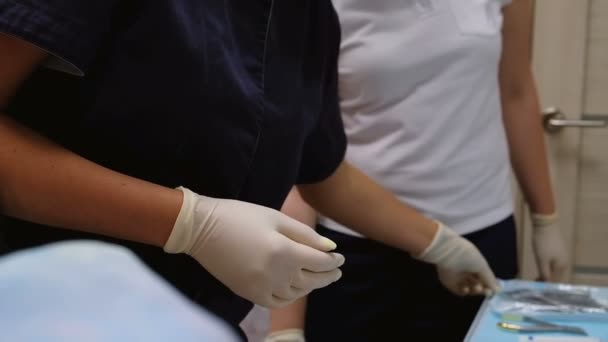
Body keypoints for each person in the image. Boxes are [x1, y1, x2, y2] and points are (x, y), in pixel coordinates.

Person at [0, 0, 497, 338]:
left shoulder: (308, 17)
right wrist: (189, 223)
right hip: (46, 315)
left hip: (191, 323)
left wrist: (436, 242)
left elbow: (323, 173)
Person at [266, 0, 569, 341]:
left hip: (481, 236)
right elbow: (303, 161)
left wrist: (546, 219)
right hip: (357, 245)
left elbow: (516, 90)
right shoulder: (316, 8)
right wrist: (285, 324)